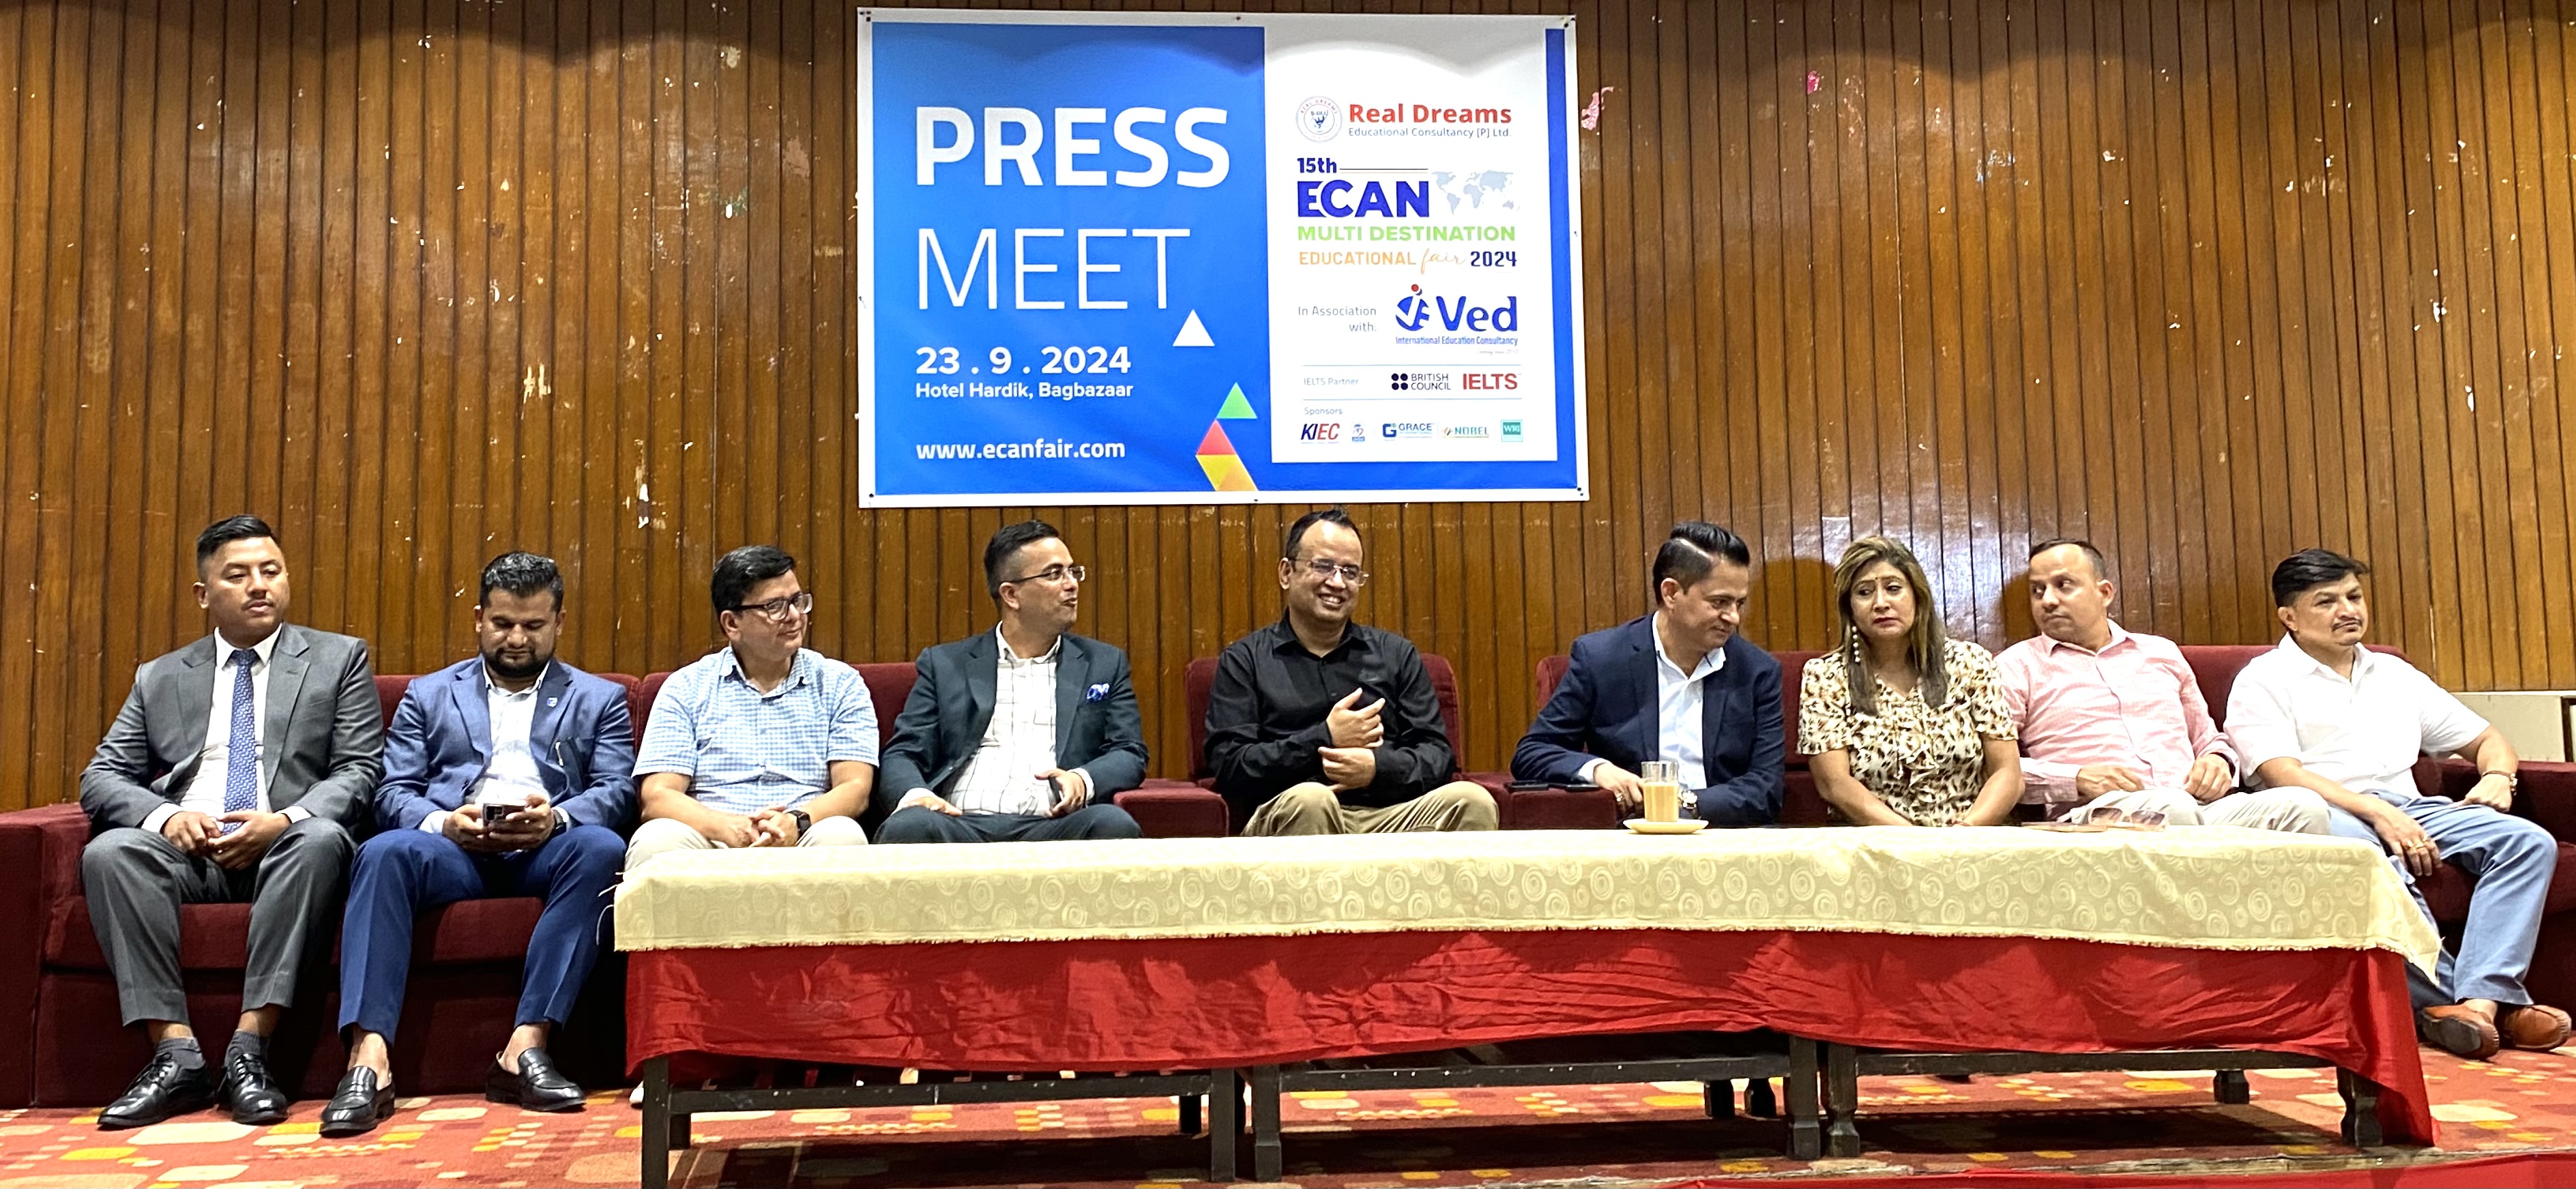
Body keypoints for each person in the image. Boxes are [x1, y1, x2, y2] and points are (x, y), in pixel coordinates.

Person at [78, 515, 382, 1128]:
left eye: (271, 571)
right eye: (238, 575)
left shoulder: (337, 658)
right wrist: (167, 817)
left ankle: (250, 1051)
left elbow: (360, 770)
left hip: (285, 847)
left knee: (321, 838)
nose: (259, 585)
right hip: (191, 851)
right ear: (204, 593)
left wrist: (283, 819)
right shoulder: (161, 676)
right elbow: (101, 776)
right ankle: (176, 1055)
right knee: (109, 852)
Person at [321, 553, 636, 1136]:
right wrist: (444, 822)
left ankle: (525, 1049)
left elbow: (617, 790)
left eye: (533, 625)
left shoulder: (600, 698)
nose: (517, 638)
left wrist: (557, 819)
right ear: (478, 619)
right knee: (383, 852)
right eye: (503, 623)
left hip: (546, 848)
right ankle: (368, 1060)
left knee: (600, 848)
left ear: (559, 622)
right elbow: (392, 791)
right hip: (455, 850)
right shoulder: (429, 693)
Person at [2227, 548, 2566, 1059]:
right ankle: (2482, 1007)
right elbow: (2283, 775)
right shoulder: (2263, 679)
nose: (2348, 610)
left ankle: (2478, 1004)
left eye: (2354, 596)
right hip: (2321, 808)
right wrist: (2377, 812)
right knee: (2369, 862)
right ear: (2289, 617)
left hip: (2411, 805)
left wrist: (2499, 776)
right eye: (2327, 601)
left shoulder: (2393, 673)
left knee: (2528, 842)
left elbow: (2486, 739)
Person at [1995, 538, 2326, 832]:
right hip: (2097, 815)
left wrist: (2217, 762)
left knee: (2304, 806)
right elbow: (1993, 768)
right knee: (2170, 809)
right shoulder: (2016, 666)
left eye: (2063, 585)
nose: (2048, 600)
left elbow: (2209, 739)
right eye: (2038, 590)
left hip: (2198, 805)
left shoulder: (2160, 653)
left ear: (2104, 593)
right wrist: (2076, 779)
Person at [1205, 508, 1497, 835]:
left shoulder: (1396, 655)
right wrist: (1324, 738)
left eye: (1350, 571)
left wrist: (1377, 769)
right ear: (1286, 573)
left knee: (1472, 800)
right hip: (1292, 811)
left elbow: (1438, 756)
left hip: (1389, 814)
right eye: (1323, 566)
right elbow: (1230, 766)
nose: (1337, 582)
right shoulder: (1245, 660)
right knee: (1312, 800)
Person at [874, 521, 1147, 842]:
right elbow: (905, 751)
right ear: (1011, 595)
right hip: (960, 822)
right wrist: (917, 795)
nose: (1072, 584)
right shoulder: (946, 664)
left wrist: (1083, 779)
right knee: (909, 826)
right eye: (1054, 574)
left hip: (1056, 824)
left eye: (1073, 572)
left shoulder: (1104, 664)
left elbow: (1129, 751)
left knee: (1113, 824)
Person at [1512, 521, 1785, 825]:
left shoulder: (1757, 671)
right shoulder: (1602, 659)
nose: (1733, 617)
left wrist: (1681, 804)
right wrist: (1599, 770)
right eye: (1719, 602)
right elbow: (1533, 752)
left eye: (1739, 603)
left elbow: (1766, 788)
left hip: (1724, 833)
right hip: (1631, 838)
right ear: (1671, 593)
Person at [627, 545, 877, 866]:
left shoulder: (840, 683)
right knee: (656, 840)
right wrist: (724, 825)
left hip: (804, 832)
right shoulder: (686, 687)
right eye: (775, 606)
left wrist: (797, 821)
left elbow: (855, 787)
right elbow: (658, 795)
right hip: (713, 835)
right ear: (732, 623)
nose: (794, 616)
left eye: (797, 601)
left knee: (843, 835)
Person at [1800, 535, 2019, 827]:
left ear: (1918, 595)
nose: (1881, 603)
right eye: (1864, 592)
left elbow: (2008, 773)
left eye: (1893, 588)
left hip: (1972, 836)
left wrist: (1965, 832)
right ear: (1849, 608)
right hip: (1878, 841)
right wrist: (1913, 841)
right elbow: (1834, 784)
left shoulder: (1971, 662)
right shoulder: (1826, 675)